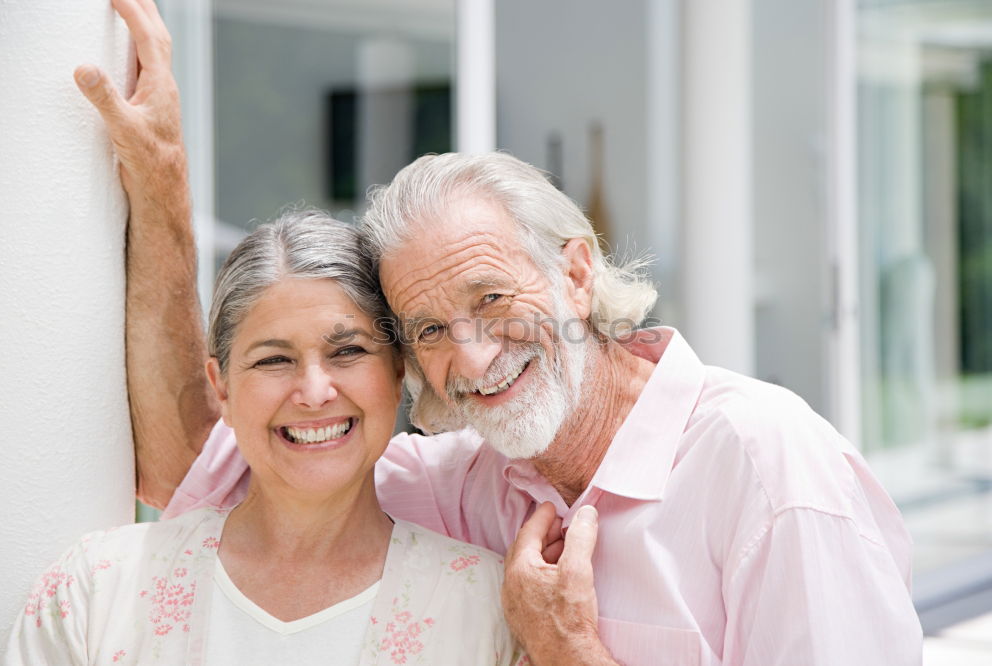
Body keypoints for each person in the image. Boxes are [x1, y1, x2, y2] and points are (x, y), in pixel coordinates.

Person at [74, 1, 924, 664]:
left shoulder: (767, 467)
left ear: (578, 273)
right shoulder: (474, 482)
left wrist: (571, 652)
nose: (472, 356)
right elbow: (196, 450)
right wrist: (159, 182)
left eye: (490, 299)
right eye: (430, 328)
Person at [7, 211, 523, 665]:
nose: (314, 392)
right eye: (274, 360)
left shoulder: (486, 610)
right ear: (223, 389)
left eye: (348, 352)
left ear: (395, 375)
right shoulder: (97, 591)